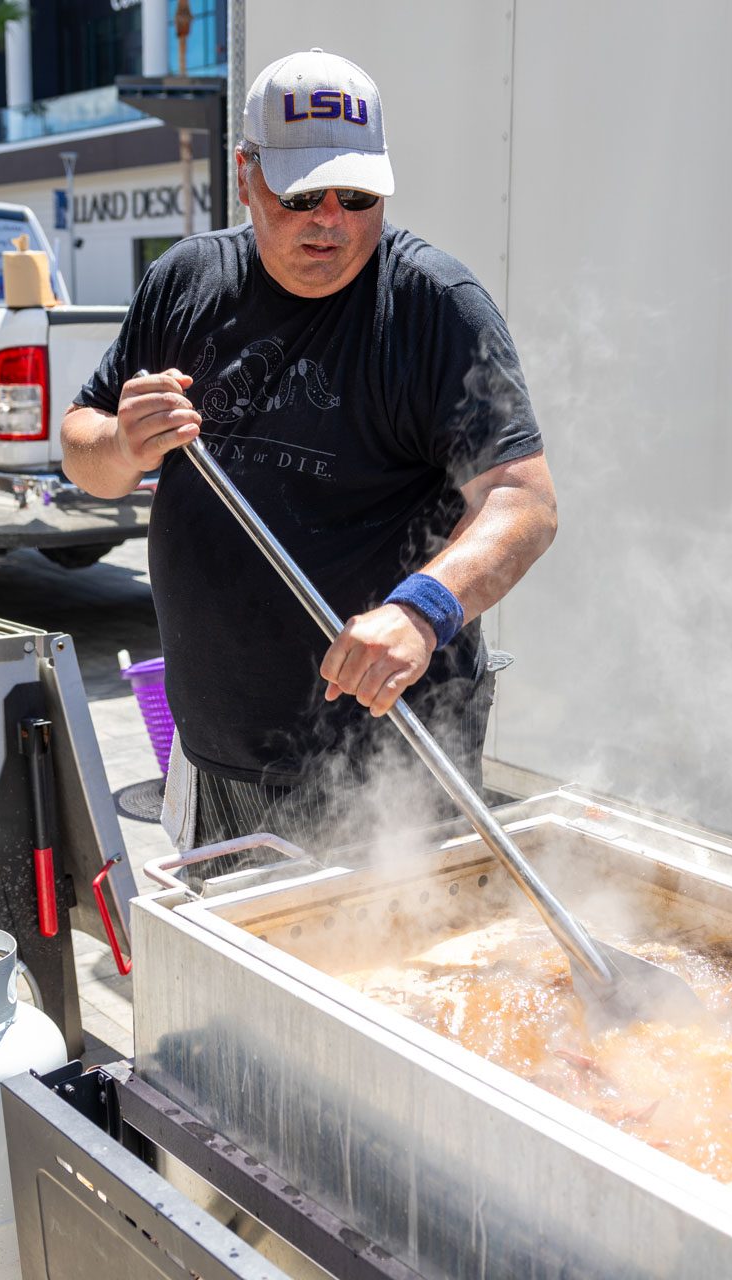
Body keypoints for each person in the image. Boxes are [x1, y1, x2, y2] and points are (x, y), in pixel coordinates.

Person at [60, 48, 557, 849]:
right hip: (217, 749)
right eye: (300, 195)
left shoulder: (436, 307)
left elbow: (523, 501)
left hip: (390, 757)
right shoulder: (185, 281)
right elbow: (81, 446)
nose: (330, 219)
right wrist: (121, 443)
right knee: (225, 933)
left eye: (357, 196)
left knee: (393, 938)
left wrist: (422, 611)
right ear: (246, 173)